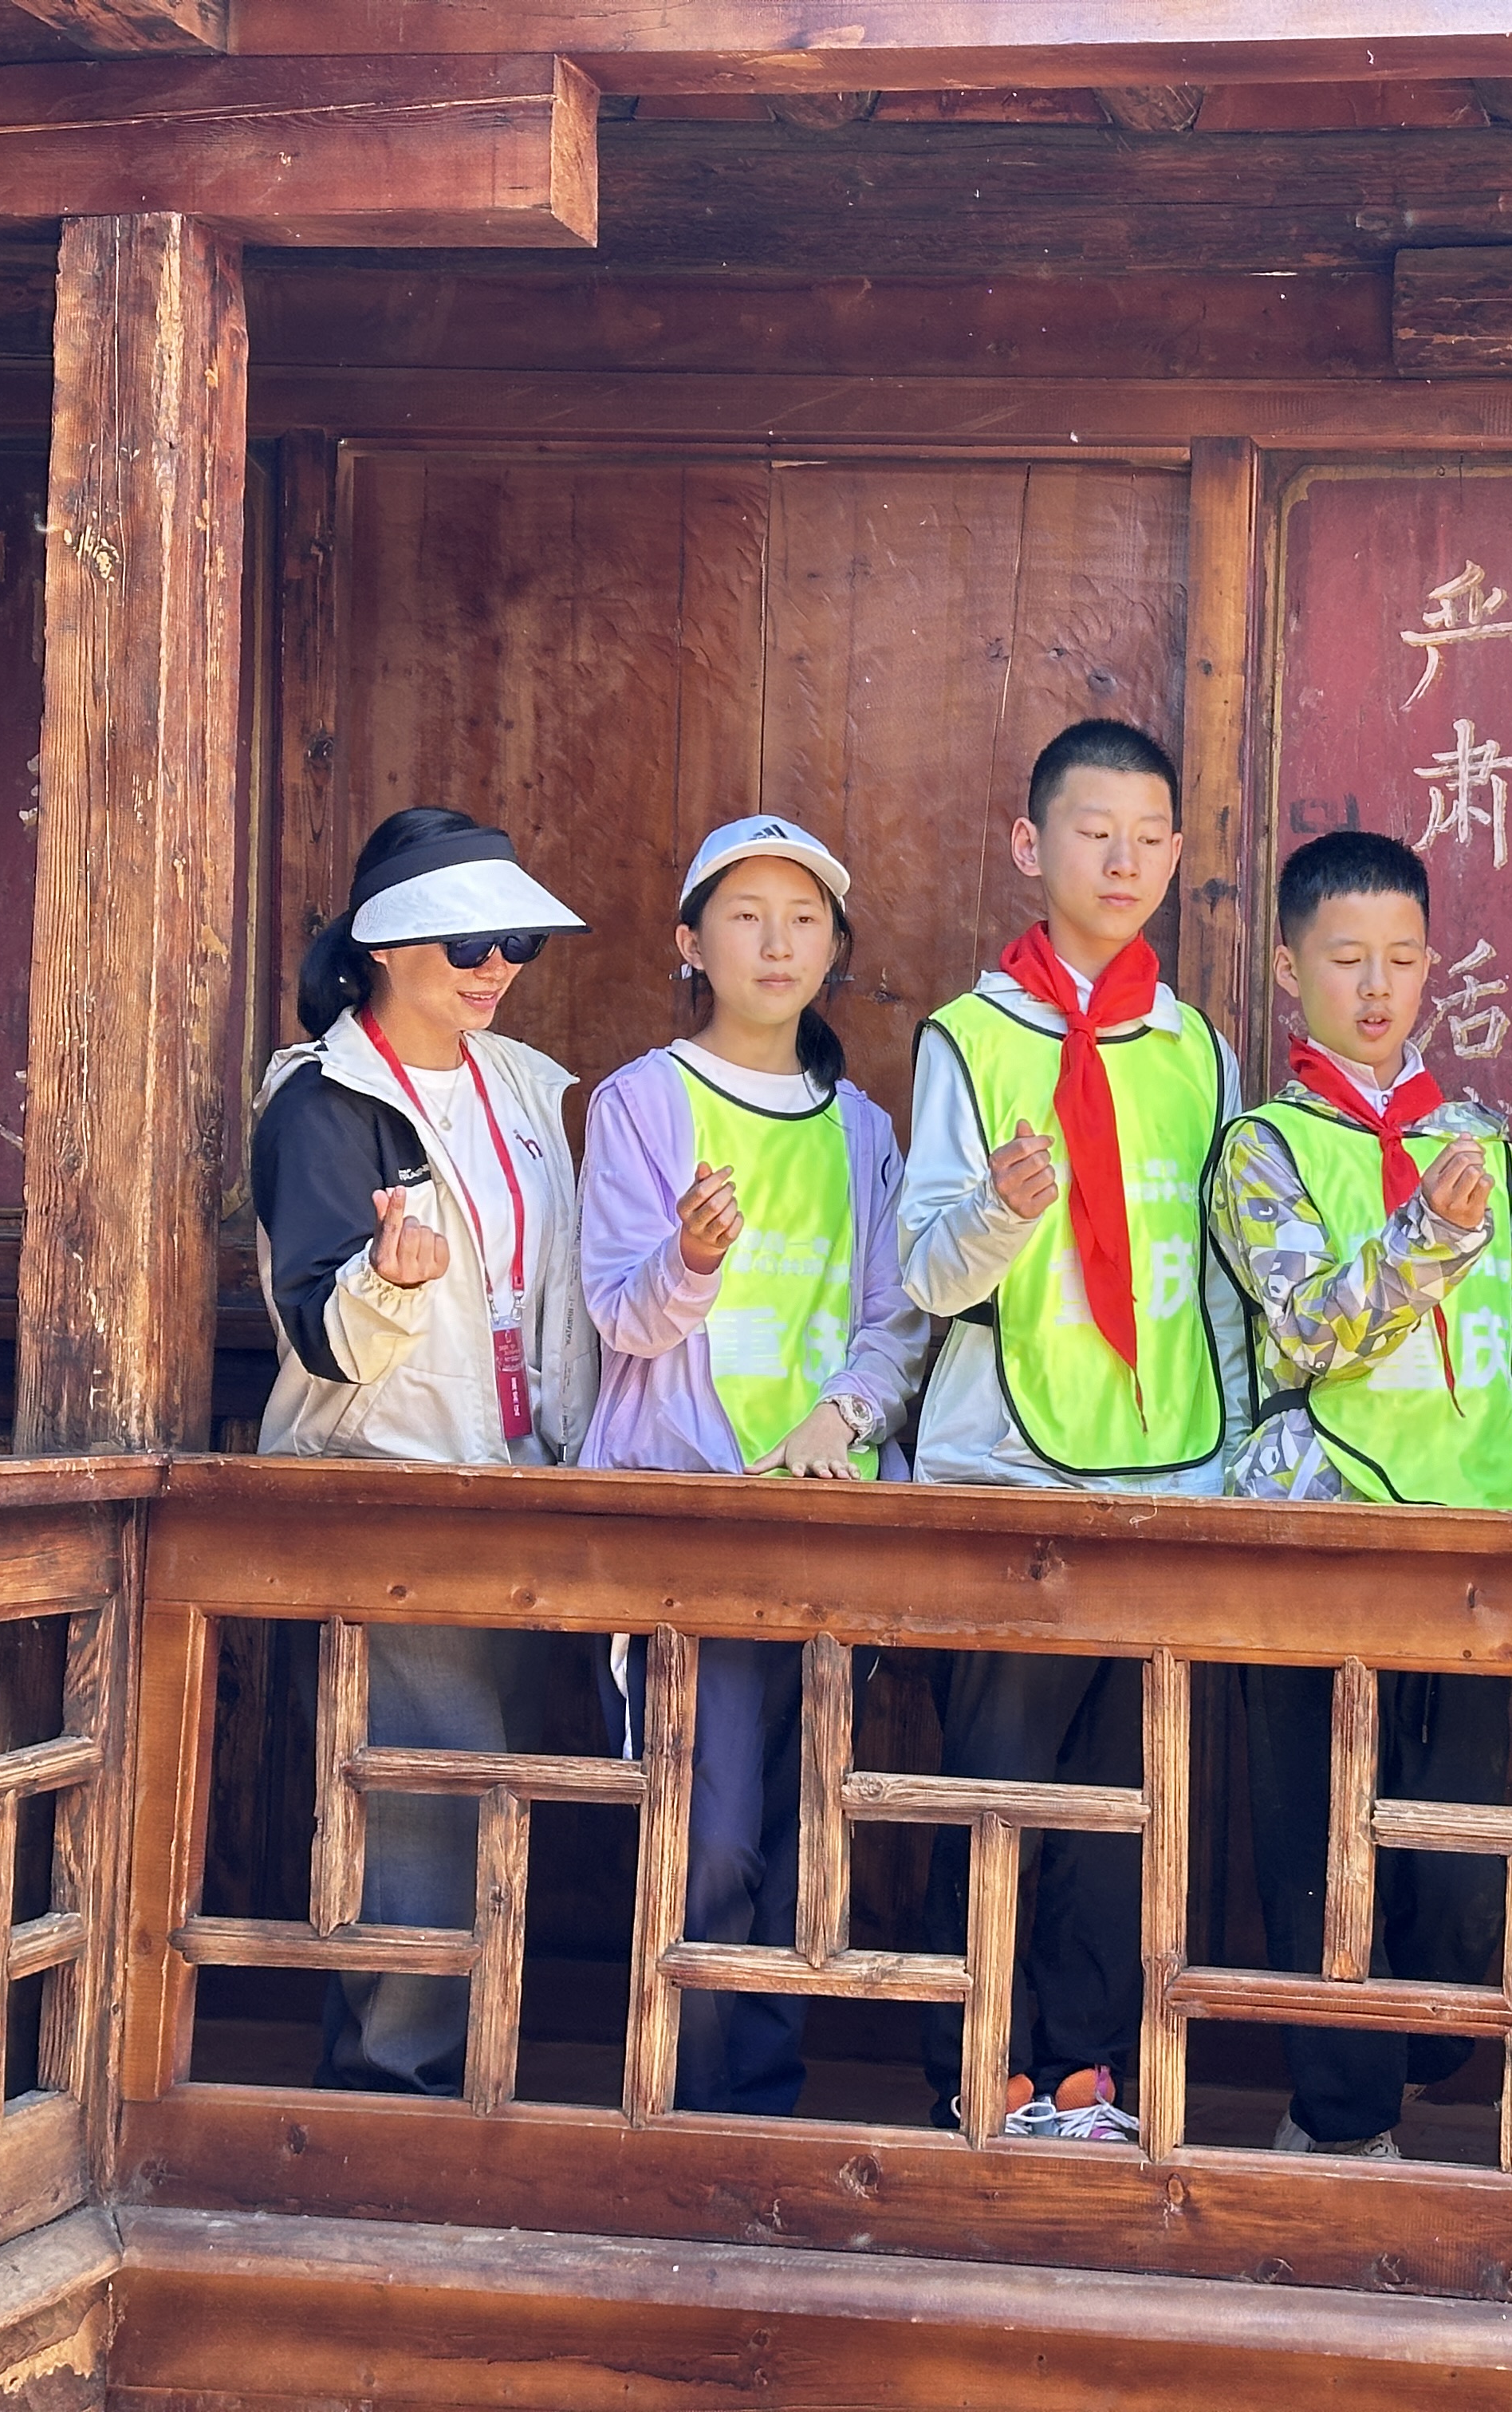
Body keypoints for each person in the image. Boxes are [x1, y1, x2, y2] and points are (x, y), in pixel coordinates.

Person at [1205, 830, 1512, 2160]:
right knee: (1319, 1841)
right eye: (1347, 959)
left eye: (1403, 960)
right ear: (1289, 967)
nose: (1377, 988)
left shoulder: (1487, 1150)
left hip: (1474, 1535)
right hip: (1322, 1537)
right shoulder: (1262, 1148)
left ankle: (1413, 2065)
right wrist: (1430, 1235)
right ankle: (1339, 2122)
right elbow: (1309, 1330)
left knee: (1455, 1847)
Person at [900, 719, 1245, 2139]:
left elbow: (1218, 1279)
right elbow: (927, 1277)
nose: (1122, 860)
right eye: (1093, 832)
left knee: (1125, 1793)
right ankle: (978, 2066)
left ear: (1176, 855)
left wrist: (1231, 1469)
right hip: (1009, 1466)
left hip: (1168, 1470)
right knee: (998, 1786)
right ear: (1029, 845)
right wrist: (1001, 1208)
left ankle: (1092, 2074)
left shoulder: (1196, 1048)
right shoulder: (970, 1037)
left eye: (1148, 837)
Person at [576, 814, 932, 2114]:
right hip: (691, 1526)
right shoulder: (640, 1104)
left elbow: (898, 1323)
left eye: (804, 920)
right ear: (690, 942)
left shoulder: (864, 1132)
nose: (777, 943)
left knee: (802, 1831)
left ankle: (762, 2107)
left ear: (835, 948)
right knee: (707, 1833)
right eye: (745, 915)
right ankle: (685, 2105)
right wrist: (693, 1260)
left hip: (828, 1526)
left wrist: (845, 1418)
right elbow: (619, 1316)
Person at [251, 806, 598, 2095]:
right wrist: (389, 1284)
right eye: (469, 945)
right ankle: (393, 2092)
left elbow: (560, 1297)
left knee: (488, 1799)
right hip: (387, 1492)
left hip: (516, 1492)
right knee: (420, 1810)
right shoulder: (322, 1100)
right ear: (386, 947)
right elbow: (325, 1336)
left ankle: (457, 2087)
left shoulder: (524, 1086)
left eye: (518, 944)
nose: (497, 966)